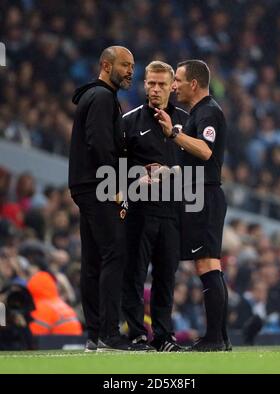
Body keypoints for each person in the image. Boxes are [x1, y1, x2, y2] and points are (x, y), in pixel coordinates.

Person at [68, 46, 145, 351]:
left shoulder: (97, 96)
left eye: (132, 66)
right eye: (125, 65)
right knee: (115, 254)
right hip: (98, 187)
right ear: (105, 65)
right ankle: (109, 333)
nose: (130, 71)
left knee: (93, 260)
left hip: (85, 186)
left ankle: (94, 333)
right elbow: (100, 144)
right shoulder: (101, 97)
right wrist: (113, 184)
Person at [155, 59, 231, 351]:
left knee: (208, 264)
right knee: (209, 265)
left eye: (178, 81)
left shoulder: (208, 112)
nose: (173, 87)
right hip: (200, 193)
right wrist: (168, 172)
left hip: (206, 196)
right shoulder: (198, 113)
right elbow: (193, 163)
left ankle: (214, 338)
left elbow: (205, 151)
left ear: (194, 84)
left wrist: (174, 134)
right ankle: (219, 338)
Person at [122, 61, 188, 351]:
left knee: (165, 277)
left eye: (162, 84)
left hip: (172, 213)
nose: (156, 89)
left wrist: (170, 172)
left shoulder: (187, 121)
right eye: (151, 83)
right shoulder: (129, 122)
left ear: (172, 86)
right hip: (140, 212)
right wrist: (139, 174)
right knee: (134, 274)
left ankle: (163, 336)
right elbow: (117, 166)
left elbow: (198, 164)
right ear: (144, 84)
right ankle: (136, 334)